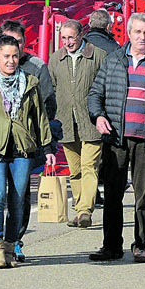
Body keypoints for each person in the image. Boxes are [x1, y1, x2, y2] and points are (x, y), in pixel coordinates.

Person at [86, 13, 145, 263]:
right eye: (138, 32)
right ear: (128, 33)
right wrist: (98, 116)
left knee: (143, 196)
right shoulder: (114, 60)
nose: (142, 37)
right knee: (113, 195)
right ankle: (111, 246)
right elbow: (95, 93)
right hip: (116, 138)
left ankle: (141, 244)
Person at [0, 20, 55, 264]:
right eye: (6, 56)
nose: (10, 61)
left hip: (22, 148)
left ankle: (10, 245)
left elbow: (40, 115)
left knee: (17, 201)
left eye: (15, 56)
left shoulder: (32, 81)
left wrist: (48, 148)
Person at [47, 20, 106, 229]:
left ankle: (84, 211)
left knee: (89, 165)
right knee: (75, 170)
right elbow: (51, 89)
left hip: (91, 120)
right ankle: (80, 207)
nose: (67, 42)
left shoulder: (98, 55)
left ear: (81, 35)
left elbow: (106, 86)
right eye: (64, 38)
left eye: (71, 37)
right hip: (66, 121)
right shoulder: (56, 59)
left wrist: (103, 115)